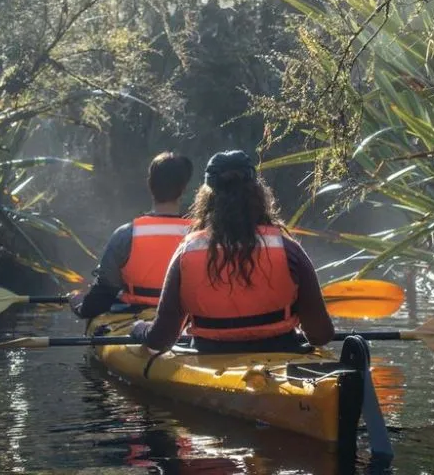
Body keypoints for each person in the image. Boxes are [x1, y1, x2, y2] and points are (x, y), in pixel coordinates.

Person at [129, 149, 335, 353]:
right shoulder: (288, 249)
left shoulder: (187, 251)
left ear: (206, 198)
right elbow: (321, 334)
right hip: (280, 352)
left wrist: (139, 329)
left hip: (209, 354)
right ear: (258, 193)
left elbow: (161, 338)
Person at [70, 152, 194, 319]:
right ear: (184, 189)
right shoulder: (199, 235)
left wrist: (79, 303)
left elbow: (106, 286)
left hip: (133, 311)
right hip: (182, 316)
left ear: (150, 185)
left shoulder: (125, 235)